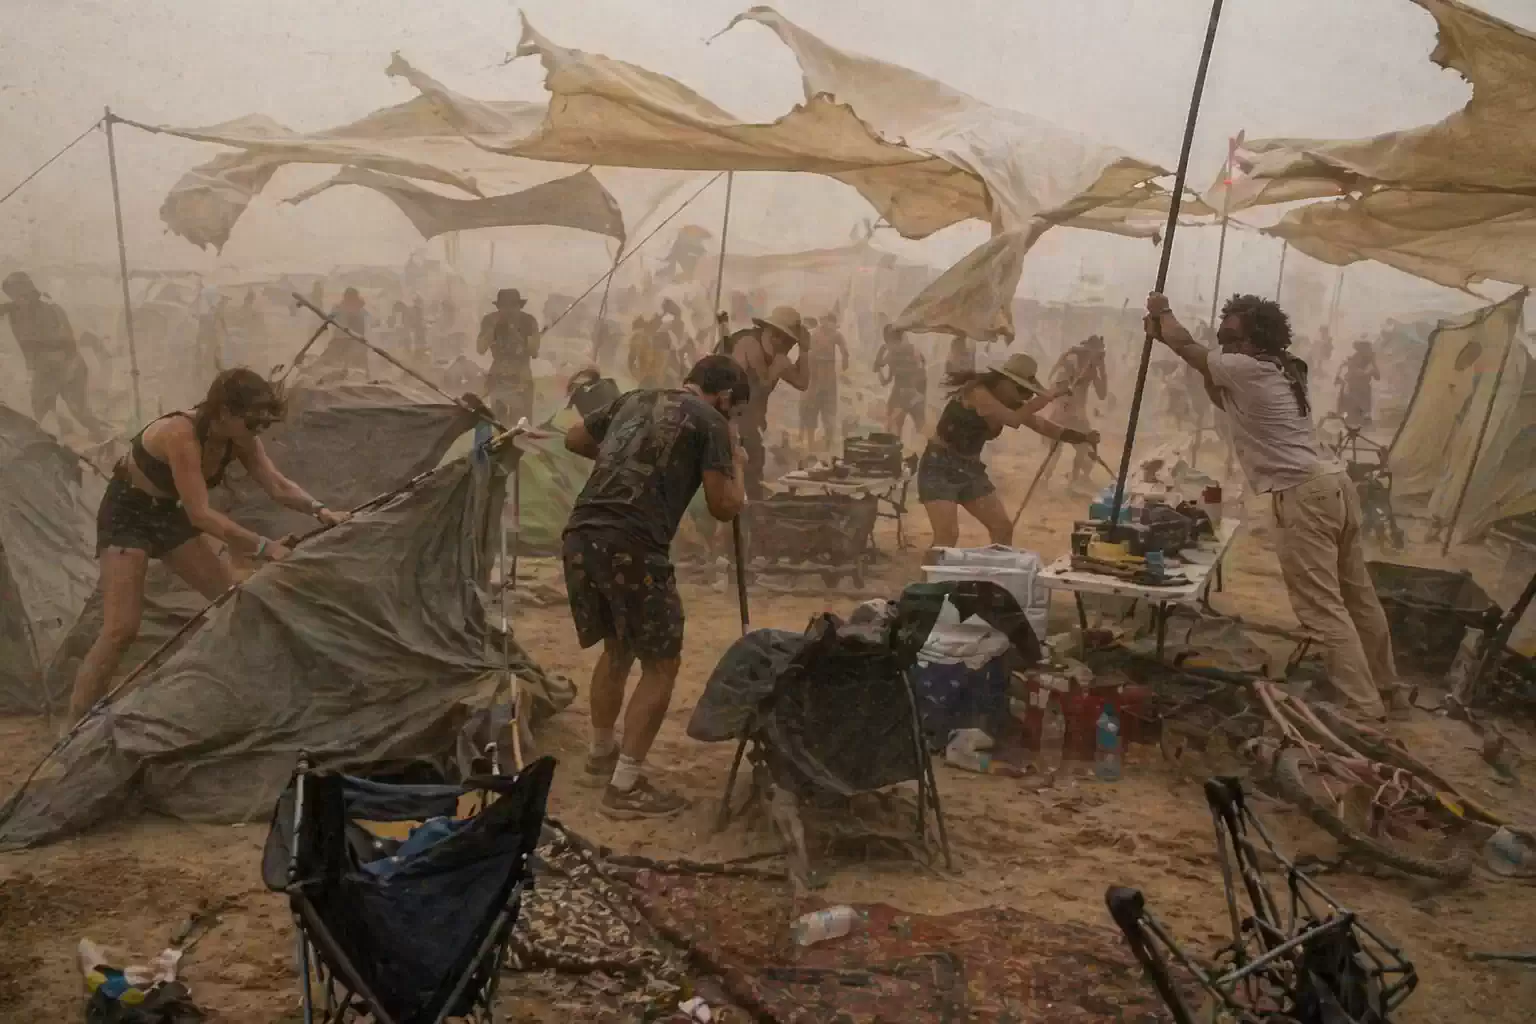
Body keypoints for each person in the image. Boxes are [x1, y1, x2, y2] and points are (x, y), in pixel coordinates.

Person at [1146, 291, 1400, 722]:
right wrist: (1182, 345)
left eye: (1232, 337)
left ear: (1257, 339)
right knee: (1358, 597)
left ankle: (1362, 707)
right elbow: (1218, 393)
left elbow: (1189, 347)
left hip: (1303, 494)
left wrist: (1163, 315)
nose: (1225, 346)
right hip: (1333, 485)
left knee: (1323, 609)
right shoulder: (1283, 367)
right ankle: (1386, 687)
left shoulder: (1245, 367)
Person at [69, 368, 351, 721]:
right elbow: (201, 515)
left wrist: (321, 511)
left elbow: (277, 485)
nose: (258, 430)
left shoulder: (241, 437)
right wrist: (264, 548)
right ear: (225, 412)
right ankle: (75, 728)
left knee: (234, 598)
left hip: (170, 514)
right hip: (128, 515)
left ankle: (247, 697)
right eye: (252, 423)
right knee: (121, 627)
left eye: (263, 424)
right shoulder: (180, 434)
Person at [562, 354, 749, 818]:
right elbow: (725, 506)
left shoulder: (635, 399)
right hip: (633, 543)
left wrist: (624, 462)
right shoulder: (712, 423)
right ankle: (625, 785)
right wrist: (738, 460)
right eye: (736, 409)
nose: (734, 416)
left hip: (581, 534)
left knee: (618, 647)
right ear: (724, 396)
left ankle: (601, 753)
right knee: (661, 663)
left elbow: (574, 438)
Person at [919, 353, 1092, 549]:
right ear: (1004, 381)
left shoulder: (1011, 404)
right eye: (1020, 389)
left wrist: (1081, 437)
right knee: (947, 537)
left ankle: (996, 575)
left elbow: (1041, 425)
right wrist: (1049, 395)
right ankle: (930, 578)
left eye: (1026, 391)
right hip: (939, 467)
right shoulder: (977, 393)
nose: (1023, 396)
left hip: (970, 470)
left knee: (1002, 528)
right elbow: (1013, 420)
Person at [0, 271, 112, 439]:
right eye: (14, 295)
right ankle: (58, 439)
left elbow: (66, 340)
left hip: (68, 365)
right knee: (42, 411)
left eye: (22, 295)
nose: (19, 299)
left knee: (79, 410)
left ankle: (105, 435)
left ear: (31, 292)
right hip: (45, 368)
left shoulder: (51, 309)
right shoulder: (15, 311)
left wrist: (41, 347)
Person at [726, 305, 809, 499]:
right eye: (781, 337)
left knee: (754, 467)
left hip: (751, 420)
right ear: (771, 332)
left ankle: (752, 513)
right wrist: (777, 367)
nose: (785, 344)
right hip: (729, 414)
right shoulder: (749, 344)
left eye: (791, 342)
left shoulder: (779, 357)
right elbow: (758, 385)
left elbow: (802, 382)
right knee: (740, 468)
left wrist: (804, 352)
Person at [1049, 335, 1109, 491]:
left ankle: (1075, 480)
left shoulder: (1093, 370)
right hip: (1062, 411)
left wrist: (1102, 370)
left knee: (1086, 449)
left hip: (1078, 415)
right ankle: (1045, 478)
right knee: (1054, 450)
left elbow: (1102, 394)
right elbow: (1056, 385)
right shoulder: (1070, 363)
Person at [477, 288, 541, 424]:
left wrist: (516, 332)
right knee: (498, 424)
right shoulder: (490, 320)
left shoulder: (528, 321)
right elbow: (480, 348)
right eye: (504, 306)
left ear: (519, 306)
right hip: (498, 377)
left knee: (521, 425)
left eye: (513, 305)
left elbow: (534, 351)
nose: (509, 310)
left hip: (522, 378)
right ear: (499, 307)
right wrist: (494, 329)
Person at [800, 310, 849, 450]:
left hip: (829, 380)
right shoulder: (814, 335)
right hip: (815, 378)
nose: (829, 325)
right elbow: (807, 354)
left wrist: (845, 359)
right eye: (826, 321)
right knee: (811, 411)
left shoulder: (835, 334)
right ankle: (810, 444)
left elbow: (844, 349)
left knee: (829, 413)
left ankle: (828, 444)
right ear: (823, 321)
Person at [874, 324, 928, 442]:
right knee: (922, 429)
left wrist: (878, 366)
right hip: (915, 394)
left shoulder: (892, 352)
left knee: (893, 432)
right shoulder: (914, 350)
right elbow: (922, 370)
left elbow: (884, 380)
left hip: (901, 395)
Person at [314, 287, 371, 377]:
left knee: (359, 363)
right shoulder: (338, 308)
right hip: (340, 340)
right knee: (327, 359)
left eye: (352, 298)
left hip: (356, 341)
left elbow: (364, 325)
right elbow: (328, 318)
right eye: (349, 298)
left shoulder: (360, 310)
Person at [1336, 339, 1381, 427]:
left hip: (1363, 391)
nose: (1369, 350)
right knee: (1351, 417)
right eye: (1366, 348)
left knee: (1362, 416)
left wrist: (1373, 364)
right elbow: (1355, 372)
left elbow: (1377, 376)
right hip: (1354, 390)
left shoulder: (1369, 359)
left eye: (1369, 348)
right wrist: (1369, 371)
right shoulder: (1356, 358)